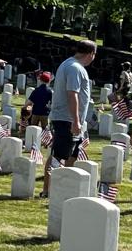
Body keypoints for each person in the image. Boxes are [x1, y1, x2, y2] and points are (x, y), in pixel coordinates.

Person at [40, 39, 97, 197]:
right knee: (58, 155)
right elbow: (72, 94)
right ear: (91, 54)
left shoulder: (70, 64)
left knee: (72, 154)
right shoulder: (74, 68)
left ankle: (64, 187)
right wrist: (76, 121)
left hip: (70, 119)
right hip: (67, 119)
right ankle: (47, 190)